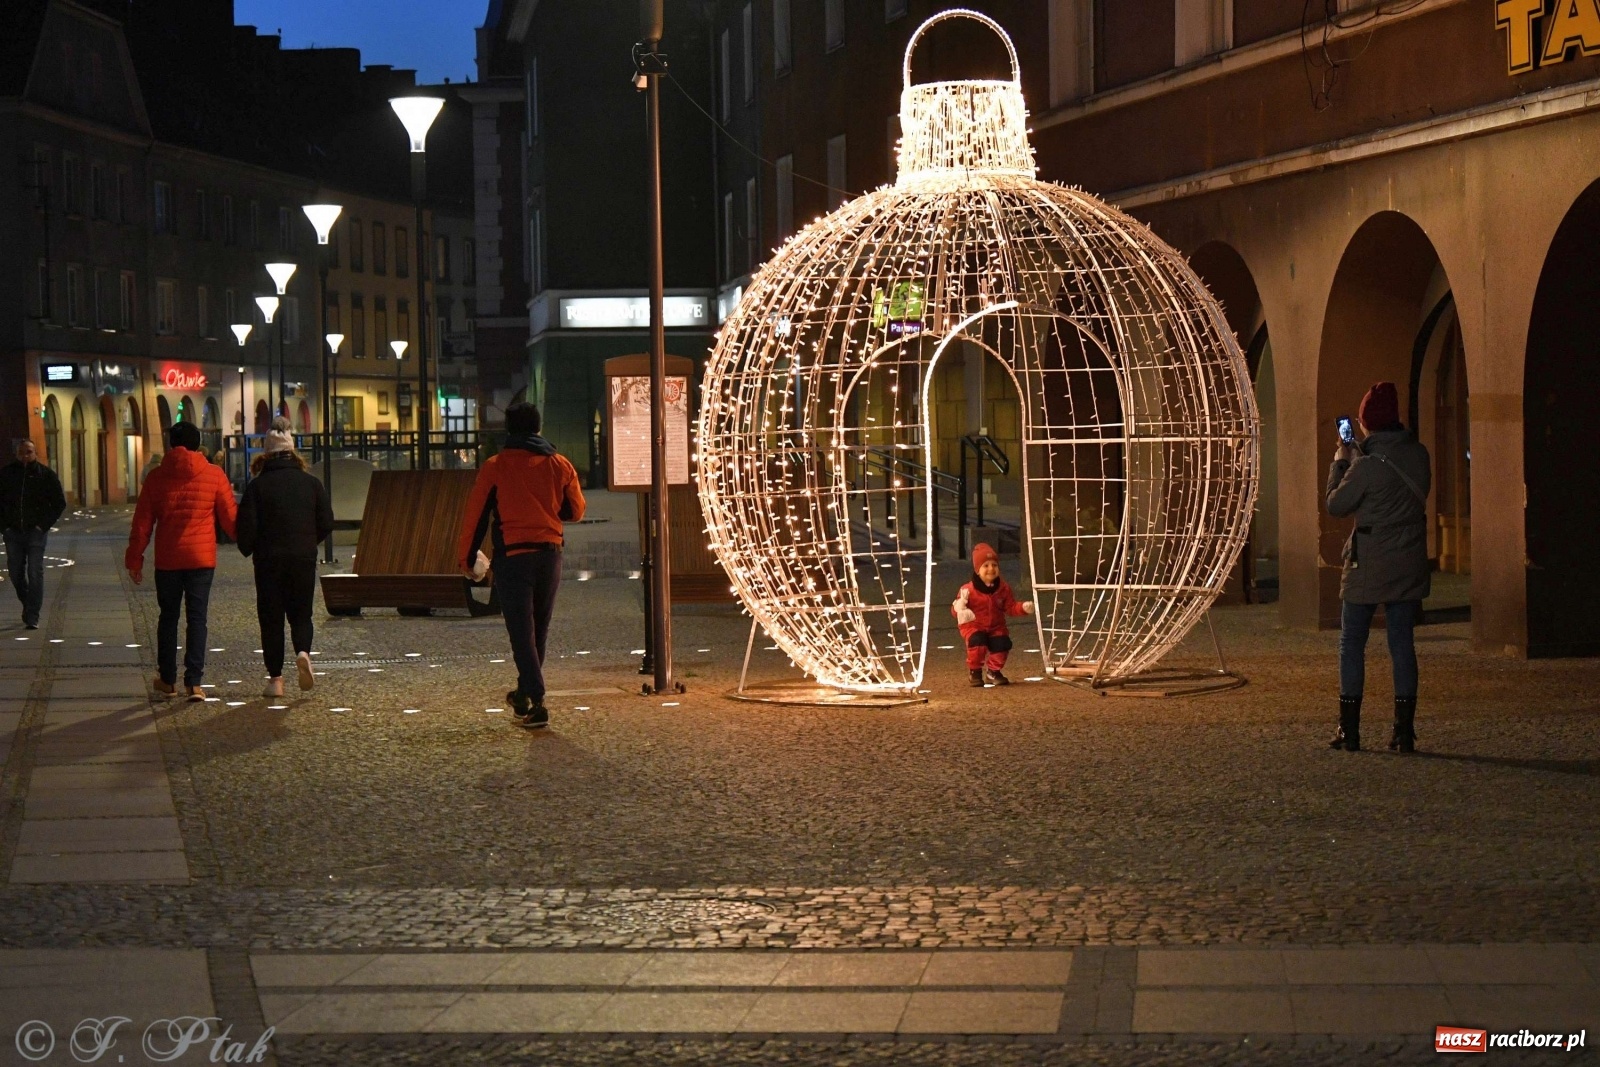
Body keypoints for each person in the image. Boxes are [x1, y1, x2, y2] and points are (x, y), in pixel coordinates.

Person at [456, 401, 585, 728]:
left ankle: (536, 702)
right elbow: (575, 510)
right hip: (550, 555)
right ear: (538, 428)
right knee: (538, 629)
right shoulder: (559, 464)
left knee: (521, 632)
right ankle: (524, 694)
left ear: (509, 430)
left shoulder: (496, 467)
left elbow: (476, 517)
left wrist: (467, 558)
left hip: (513, 558)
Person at [1325, 381, 1432, 753]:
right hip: (1408, 561)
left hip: (1368, 563)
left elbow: (1336, 505)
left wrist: (1341, 462)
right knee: (1402, 643)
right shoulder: (1419, 454)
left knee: (1352, 642)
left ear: (1366, 423)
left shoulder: (1365, 467)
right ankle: (1403, 732)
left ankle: (1349, 730)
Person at [125, 421, 237, 701]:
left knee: (168, 618)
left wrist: (135, 559)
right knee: (197, 618)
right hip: (201, 559)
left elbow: (142, 524)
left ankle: (167, 680)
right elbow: (230, 518)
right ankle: (194, 683)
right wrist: (252, 542)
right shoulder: (214, 474)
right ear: (197, 443)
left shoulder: (156, 477)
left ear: (171, 444)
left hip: (168, 559)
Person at [237, 418, 333, 698]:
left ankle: (276, 679)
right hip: (302, 558)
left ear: (266, 455)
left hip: (269, 560)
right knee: (301, 613)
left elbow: (246, 530)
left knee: (271, 618)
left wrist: (251, 546)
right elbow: (327, 521)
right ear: (293, 453)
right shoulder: (311, 484)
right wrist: (307, 542)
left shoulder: (257, 487)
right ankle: (303, 652)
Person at [0, 439, 67, 629]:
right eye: (22, 452)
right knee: (15, 572)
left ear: (35, 453)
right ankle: (28, 603)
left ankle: (32, 615)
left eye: (29, 452)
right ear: (16, 454)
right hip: (13, 532)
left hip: (36, 532)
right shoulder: (6, 474)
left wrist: (42, 526)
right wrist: (4, 526)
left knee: (35, 571)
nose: (25, 456)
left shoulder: (45, 475)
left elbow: (59, 503)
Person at [951, 542, 1033, 687]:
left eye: (994, 565)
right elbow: (955, 611)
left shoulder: (1003, 588)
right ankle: (975, 671)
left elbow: (1010, 607)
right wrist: (960, 606)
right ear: (978, 570)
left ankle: (993, 671)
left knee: (1002, 644)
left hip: (996, 626)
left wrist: (1023, 608)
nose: (991, 569)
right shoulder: (967, 590)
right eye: (986, 566)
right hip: (974, 626)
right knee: (977, 643)